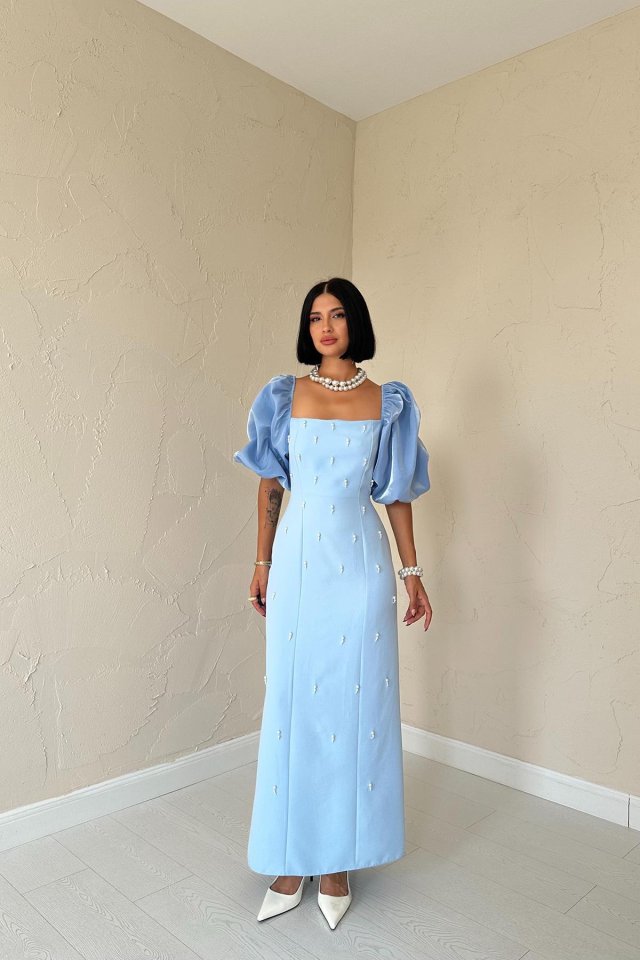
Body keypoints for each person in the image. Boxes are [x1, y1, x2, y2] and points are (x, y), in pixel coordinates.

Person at [233, 277, 432, 929]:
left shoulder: (388, 402)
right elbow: (271, 482)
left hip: (361, 567)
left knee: (354, 707)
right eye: (315, 316)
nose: (325, 326)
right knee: (294, 706)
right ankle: (292, 858)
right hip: (297, 562)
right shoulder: (283, 396)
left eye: (338, 315)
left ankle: (339, 861)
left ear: (355, 323)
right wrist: (261, 561)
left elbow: (395, 494)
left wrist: (412, 572)